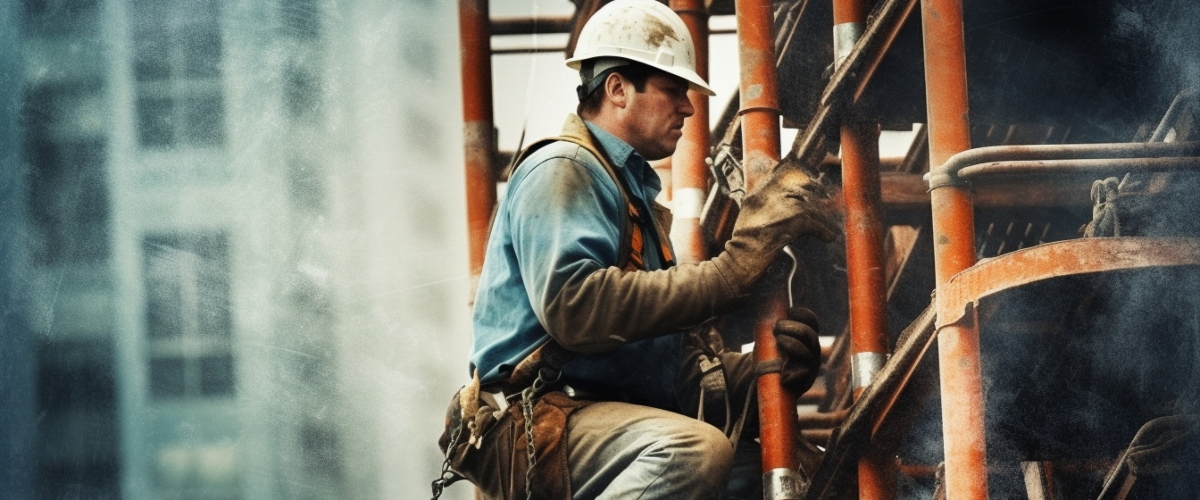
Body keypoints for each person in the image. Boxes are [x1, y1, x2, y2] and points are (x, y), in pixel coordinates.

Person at [438, 1, 837, 498]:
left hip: (594, 416)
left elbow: (660, 375)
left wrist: (767, 371)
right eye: (674, 90)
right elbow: (576, 309)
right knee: (691, 452)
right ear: (618, 88)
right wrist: (732, 271)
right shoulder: (564, 168)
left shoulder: (632, 204)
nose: (689, 108)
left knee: (800, 475)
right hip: (539, 421)